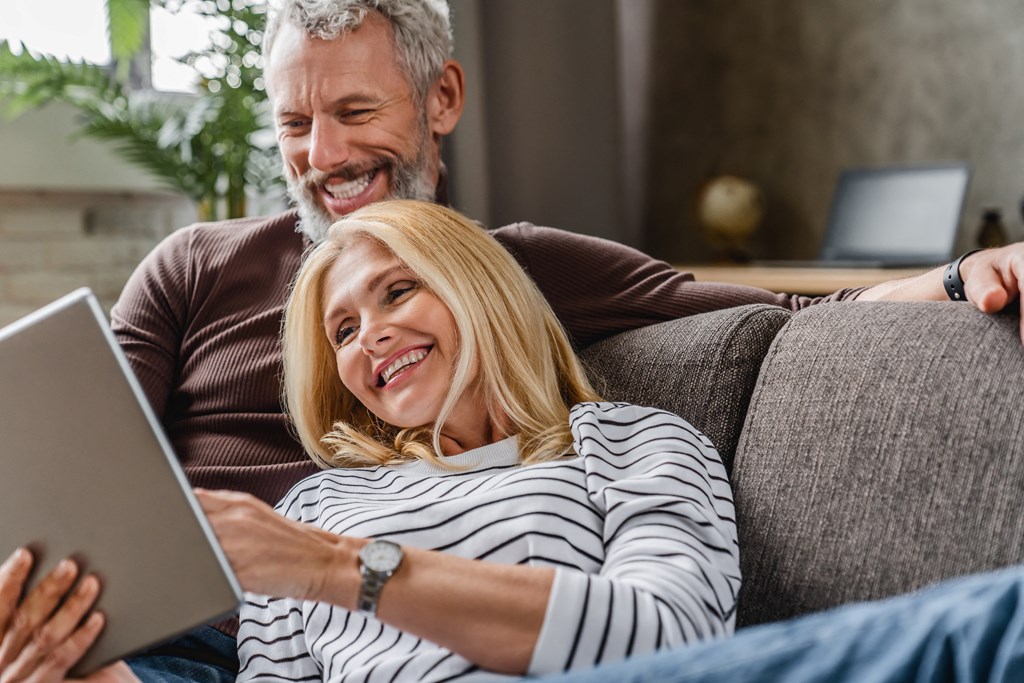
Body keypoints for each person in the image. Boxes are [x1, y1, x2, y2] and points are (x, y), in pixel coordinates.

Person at [4, 0, 1024, 678]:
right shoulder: (231, 331)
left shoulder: (621, 431)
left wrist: (951, 276)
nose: (323, 156)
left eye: (357, 110)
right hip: (169, 628)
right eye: (294, 124)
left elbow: (773, 319)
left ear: (442, 99)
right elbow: (61, 453)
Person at [4, 200, 1024, 683]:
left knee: (979, 626)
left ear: (480, 286)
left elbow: (671, 641)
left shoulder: (629, 444)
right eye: (344, 330)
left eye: (398, 289)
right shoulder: (319, 504)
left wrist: (339, 570)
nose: (374, 337)